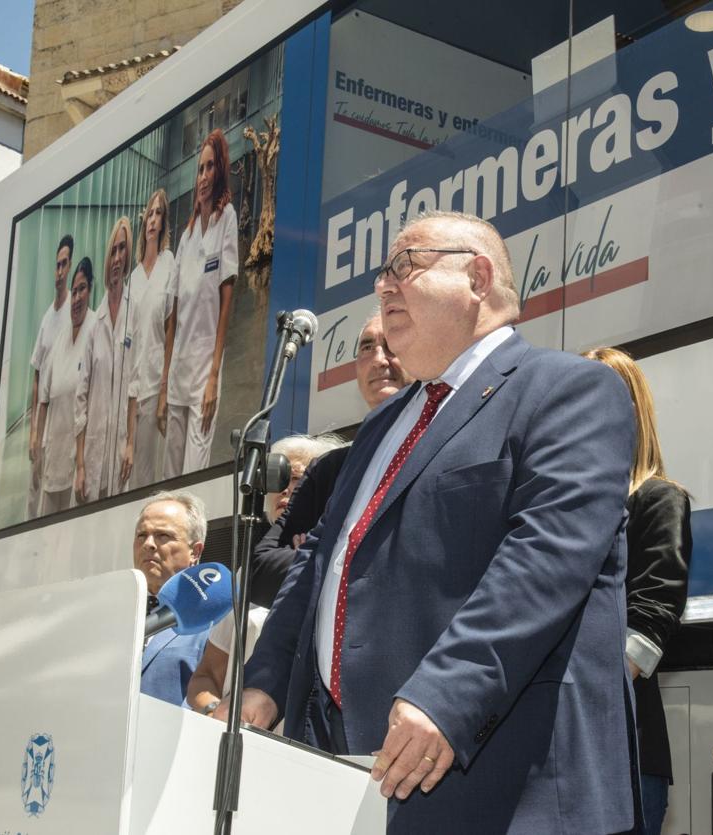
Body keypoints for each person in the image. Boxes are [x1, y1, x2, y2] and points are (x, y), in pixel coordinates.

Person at [226, 211, 641, 834]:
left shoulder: (570, 391)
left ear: (478, 277)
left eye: (405, 266)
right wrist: (265, 680)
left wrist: (444, 696)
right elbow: (321, 561)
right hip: (347, 767)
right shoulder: (380, 427)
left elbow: (546, 557)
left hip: (495, 779)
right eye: (381, 274)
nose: (384, 286)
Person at [584, 346, 692, 835]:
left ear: (634, 410)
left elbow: (652, 617)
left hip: (625, 752)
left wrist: (581, 700)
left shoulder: (658, 499)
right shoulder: (562, 506)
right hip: (565, 755)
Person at [249, 313, 413, 608]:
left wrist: (316, 551)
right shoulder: (330, 469)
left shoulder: (445, 445)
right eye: (367, 347)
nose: (379, 359)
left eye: (390, 345)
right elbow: (260, 575)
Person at [185, 432, 345, 714]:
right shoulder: (246, 574)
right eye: (279, 478)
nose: (285, 489)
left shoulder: (337, 562)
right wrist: (216, 712)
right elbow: (207, 674)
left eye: (299, 479)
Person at [163, 129, 237, 479]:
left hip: (204, 373)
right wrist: (163, 385)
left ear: (220, 171)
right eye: (200, 169)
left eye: (210, 167)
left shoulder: (227, 220)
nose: (204, 176)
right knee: (170, 477)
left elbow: (226, 303)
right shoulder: (187, 235)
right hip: (178, 374)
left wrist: (213, 378)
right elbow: (173, 316)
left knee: (194, 476)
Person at [134, 490, 211, 706]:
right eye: (142, 535)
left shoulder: (212, 623)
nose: (148, 544)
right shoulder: (113, 614)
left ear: (195, 552)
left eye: (163, 536)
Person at [75, 217, 133, 502]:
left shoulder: (132, 314)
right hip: (93, 449)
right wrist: (80, 466)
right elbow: (80, 399)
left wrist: (131, 444)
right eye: (114, 250)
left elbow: (134, 385)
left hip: (119, 446)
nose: (118, 258)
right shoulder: (92, 325)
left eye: (123, 250)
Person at [121, 189, 176, 490]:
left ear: (164, 221)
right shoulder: (133, 279)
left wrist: (165, 392)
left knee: (156, 474)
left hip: (158, 385)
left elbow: (171, 331)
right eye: (150, 214)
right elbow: (130, 346)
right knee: (136, 477)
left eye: (159, 214)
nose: (153, 220)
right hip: (135, 391)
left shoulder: (169, 263)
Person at [35, 258, 97, 514]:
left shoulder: (96, 329)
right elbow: (44, 399)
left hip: (79, 465)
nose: (77, 298)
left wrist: (82, 465)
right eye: (75, 291)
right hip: (54, 461)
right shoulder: (60, 339)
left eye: (83, 289)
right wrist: (38, 447)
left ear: (91, 291)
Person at [27, 234, 73, 518]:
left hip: (62, 427)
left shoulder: (74, 312)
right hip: (42, 428)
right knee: (34, 496)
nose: (59, 270)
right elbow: (37, 376)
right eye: (57, 264)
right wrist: (33, 431)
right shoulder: (47, 319)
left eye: (64, 264)